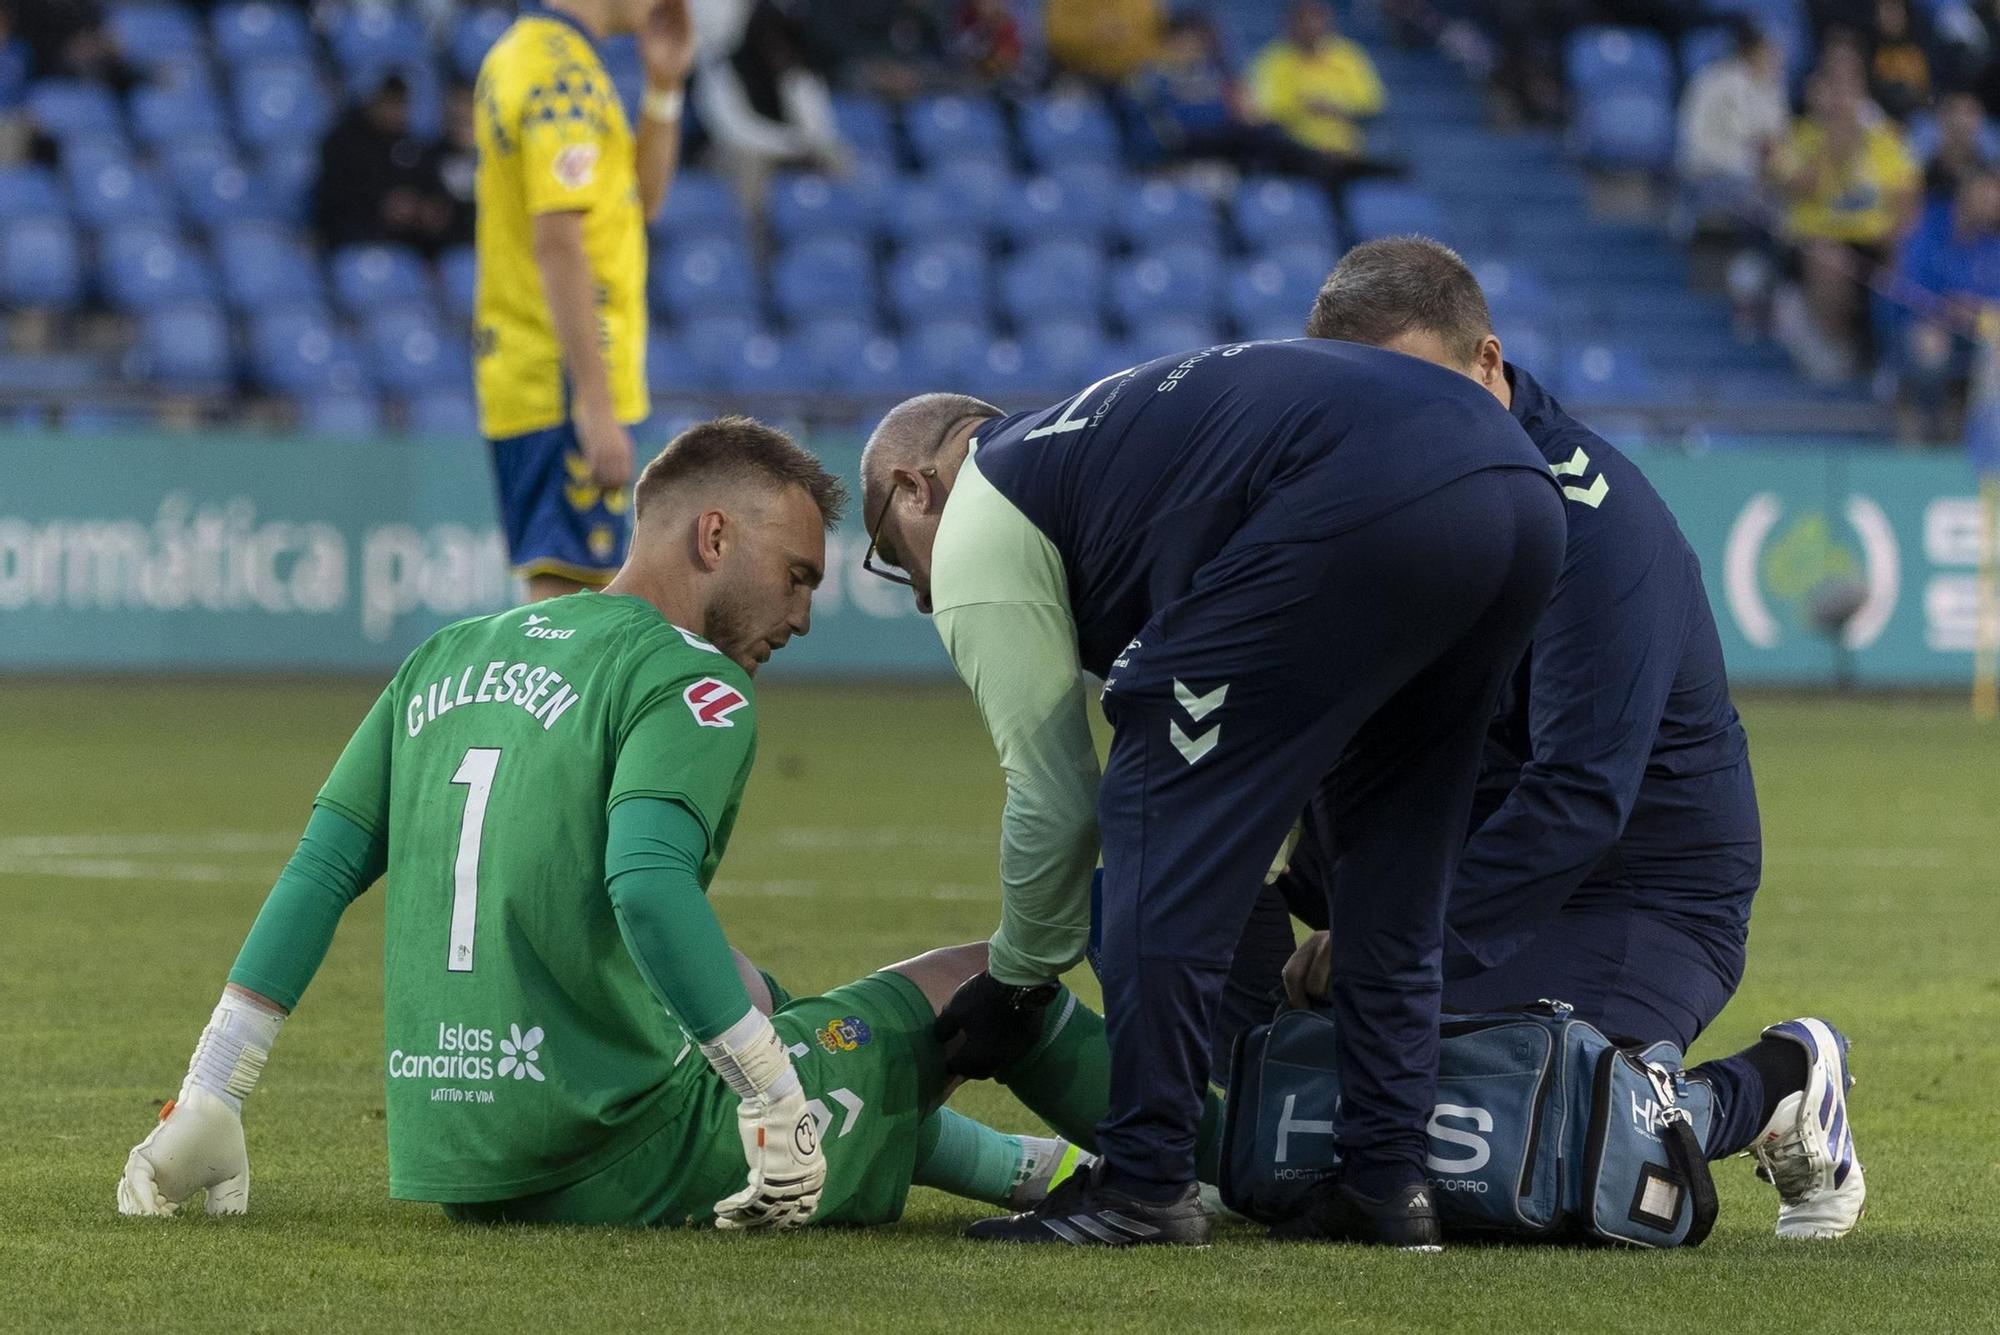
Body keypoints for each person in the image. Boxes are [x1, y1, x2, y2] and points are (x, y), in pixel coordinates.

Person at [113, 420, 1122, 1229]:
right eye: (797, 576)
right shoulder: (693, 682)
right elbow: (643, 882)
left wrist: (215, 1091)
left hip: (463, 1160)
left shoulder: (446, 655)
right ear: (714, 537)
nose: (803, 616)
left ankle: (1041, 1171)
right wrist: (771, 1098)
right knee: (980, 980)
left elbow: (321, 867)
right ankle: (1209, 1161)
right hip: (621, 1154)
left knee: (751, 989)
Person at [857, 343, 1565, 1248]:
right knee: (1391, 852)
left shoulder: (983, 505)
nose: (918, 593)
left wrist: (1020, 979)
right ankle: (1388, 1179)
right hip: (1518, 489)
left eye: (892, 551)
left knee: (1152, 794)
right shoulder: (1101, 445)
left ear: (917, 489)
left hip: (1374, 489)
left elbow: (1056, 795)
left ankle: (1144, 1185)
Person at [1242, 236, 1864, 1242]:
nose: (1391, 431)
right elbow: (1358, 732)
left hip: (1644, 890)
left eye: (1418, 395)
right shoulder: (1372, 504)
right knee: (1352, 1117)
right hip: (1464, 880)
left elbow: (1580, 794)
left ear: (1489, 365)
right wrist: (1304, 901)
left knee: (1524, 1137)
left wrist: (1384, 945)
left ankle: (1784, 1078)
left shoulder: (1592, 525)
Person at [475, 0, 693, 603]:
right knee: (567, 615)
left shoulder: (530, 57)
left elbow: (640, 201)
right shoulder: (562, 77)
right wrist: (594, 403)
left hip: (537, 371)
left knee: (566, 603)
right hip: (563, 379)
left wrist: (664, 88)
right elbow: (558, 242)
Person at [1770, 58, 1920, 379]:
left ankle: (1892, 358)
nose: (1842, 99)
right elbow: (1800, 188)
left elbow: (1907, 197)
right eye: (1834, 90)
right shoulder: (1797, 135)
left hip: (1872, 241)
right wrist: (1834, 144)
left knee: (1907, 257)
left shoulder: (1883, 138)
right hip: (1816, 242)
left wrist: (1893, 234)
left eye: (1850, 90)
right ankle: (1838, 350)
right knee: (1830, 259)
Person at [1891, 171, 2000, 441]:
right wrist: (1944, 308)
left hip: (1978, 332)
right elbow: (1906, 289)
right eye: (1986, 195)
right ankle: (1923, 426)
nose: (1993, 205)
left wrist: (1976, 309)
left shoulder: (1993, 246)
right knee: (1931, 348)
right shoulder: (1925, 228)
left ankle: (1978, 438)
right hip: (1925, 324)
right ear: (1966, 192)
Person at [312, 73, 456, 254]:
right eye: (391, 103)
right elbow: (334, 197)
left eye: (401, 104)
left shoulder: (411, 144)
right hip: (355, 238)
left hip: (409, 244)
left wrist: (426, 207)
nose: (396, 112)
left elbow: (430, 185)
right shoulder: (342, 143)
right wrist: (381, 205)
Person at [1675, 19, 1789, 233]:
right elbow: (1695, 153)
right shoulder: (1713, 84)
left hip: (1754, 183)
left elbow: (1776, 146)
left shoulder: (1772, 89)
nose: (1778, 57)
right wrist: (1752, 169)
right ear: (1753, 50)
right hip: (1710, 180)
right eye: (1770, 50)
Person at [1248, 0, 1386, 162]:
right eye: (1303, 21)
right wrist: (1303, 106)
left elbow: (1371, 106)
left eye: (1316, 19)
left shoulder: (1349, 57)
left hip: (1346, 153)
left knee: (1395, 172)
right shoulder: (1272, 61)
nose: (1311, 27)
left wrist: (1338, 108)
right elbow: (1260, 112)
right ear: (1290, 24)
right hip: (1292, 153)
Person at [1921, 92, 1994, 204]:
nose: (1963, 122)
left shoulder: (1988, 172)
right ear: (1942, 118)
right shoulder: (1923, 171)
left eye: (1971, 113)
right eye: (1957, 113)